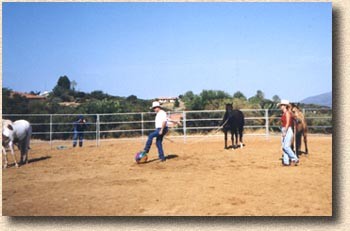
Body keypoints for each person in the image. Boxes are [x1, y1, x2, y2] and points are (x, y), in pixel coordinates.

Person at [278, 100, 299, 166]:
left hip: (287, 130)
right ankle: (286, 161)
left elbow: (287, 123)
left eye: (281, 105)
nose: (280, 106)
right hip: (284, 129)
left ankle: (294, 158)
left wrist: (285, 131)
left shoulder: (287, 113)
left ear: (285, 106)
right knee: (284, 147)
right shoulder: (284, 113)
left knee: (286, 146)